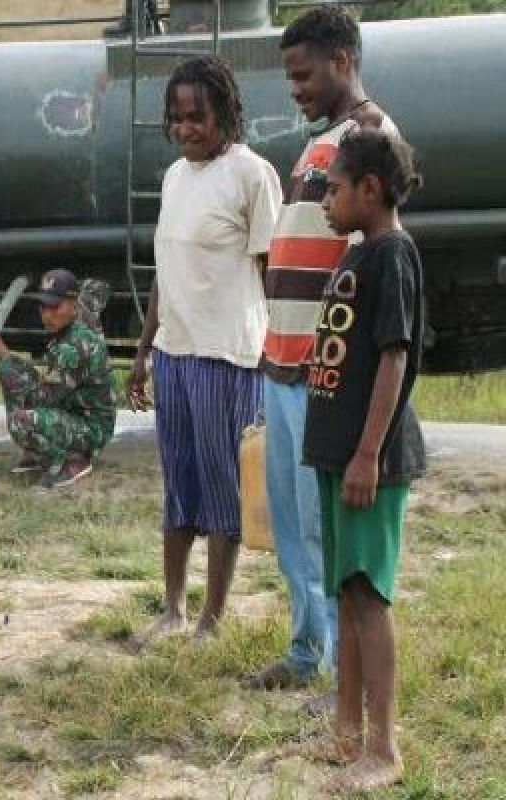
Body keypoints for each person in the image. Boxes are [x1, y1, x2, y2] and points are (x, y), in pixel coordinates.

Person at [243, 6, 398, 700]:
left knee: (317, 525)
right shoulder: (320, 141)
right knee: (289, 524)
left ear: (342, 61)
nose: (296, 88)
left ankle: (336, 670)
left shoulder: (367, 139)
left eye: (303, 74)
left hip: (319, 370)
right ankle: (307, 649)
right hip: (282, 361)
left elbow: (369, 267)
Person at [129, 56, 282, 641]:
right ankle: (173, 609)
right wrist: (144, 351)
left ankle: (212, 620)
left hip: (229, 359)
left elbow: (273, 271)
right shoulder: (174, 177)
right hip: (175, 354)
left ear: (225, 113)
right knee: (180, 487)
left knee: (224, 489)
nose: (185, 128)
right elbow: (163, 273)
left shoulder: (252, 175)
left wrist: (282, 353)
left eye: (197, 116)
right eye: (176, 118)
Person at [302, 129, 424, 792]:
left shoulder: (392, 256)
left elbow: (393, 355)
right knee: (346, 591)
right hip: (337, 454)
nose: (325, 198)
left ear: (369, 190)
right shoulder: (359, 254)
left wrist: (368, 454)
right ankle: (346, 735)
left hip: (368, 460)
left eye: (334, 186)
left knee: (369, 596)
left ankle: (383, 747)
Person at [0, 268, 116, 489]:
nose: (47, 314)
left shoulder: (73, 348)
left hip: (91, 427)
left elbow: (42, 398)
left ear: (73, 304)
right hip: (73, 409)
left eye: (55, 307)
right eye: (43, 306)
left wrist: (4, 354)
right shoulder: (77, 313)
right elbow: (99, 288)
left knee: (20, 418)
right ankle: (34, 453)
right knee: (12, 377)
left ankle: (73, 462)